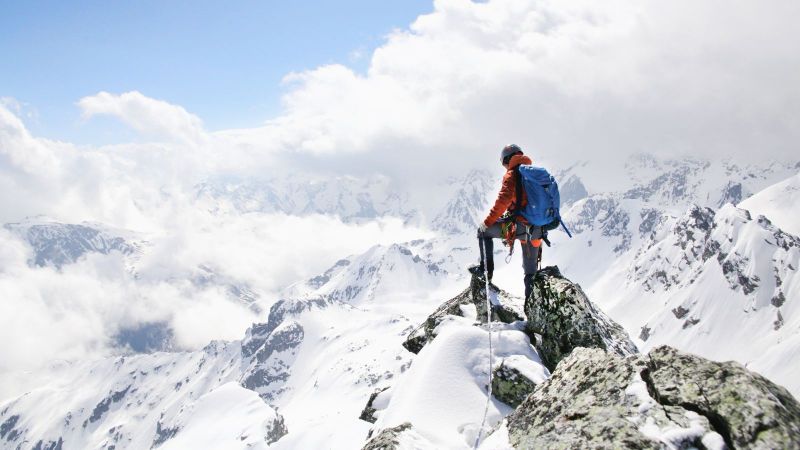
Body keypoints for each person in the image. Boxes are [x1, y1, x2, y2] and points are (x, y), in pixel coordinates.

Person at [470, 144, 542, 300]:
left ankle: (485, 272)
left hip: (518, 227)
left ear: (508, 160)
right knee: (531, 273)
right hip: (537, 231)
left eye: (504, 163)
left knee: (483, 232)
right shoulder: (535, 174)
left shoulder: (512, 174)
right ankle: (532, 310)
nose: (504, 167)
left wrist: (487, 222)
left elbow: (503, 201)